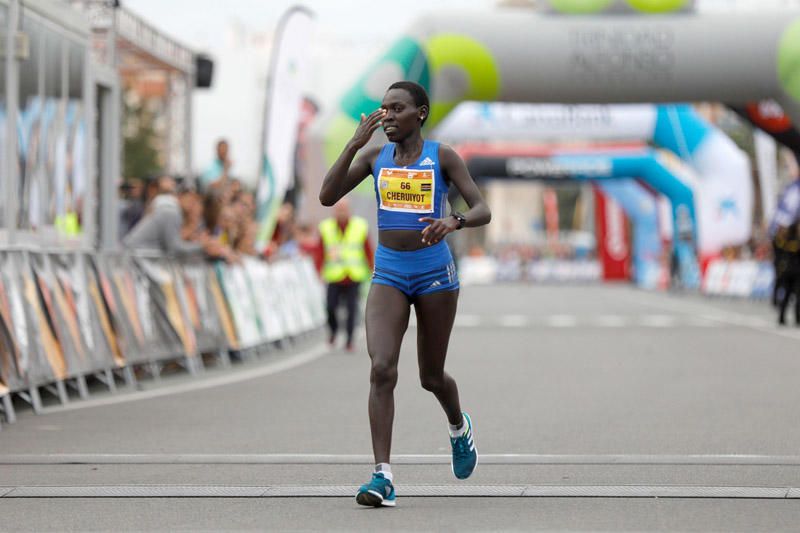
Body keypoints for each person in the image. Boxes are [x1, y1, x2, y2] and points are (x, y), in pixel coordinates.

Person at [319, 81, 491, 507]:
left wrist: (453, 222)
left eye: (397, 109)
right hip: (389, 274)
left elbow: (481, 208)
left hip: (434, 274)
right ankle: (383, 475)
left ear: (421, 113)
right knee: (381, 368)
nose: (388, 116)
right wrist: (353, 144)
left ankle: (458, 426)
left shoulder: (443, 157)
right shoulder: (375, 158)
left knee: (431, 376)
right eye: (383, 110)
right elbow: (326, 196)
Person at [318, 198, 373, 352]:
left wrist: (372, 269)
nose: (341, 212)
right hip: (334, 276)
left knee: (351, 309)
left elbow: (368, 249)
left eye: (344, 209)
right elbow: (320, 250)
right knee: (330, 307)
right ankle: (333, 331)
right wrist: (318, 270)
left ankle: (349, 340)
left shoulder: (360, 226)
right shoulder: (326, 227)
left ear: (349, 210)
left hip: (353, 276)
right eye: (338, 209)